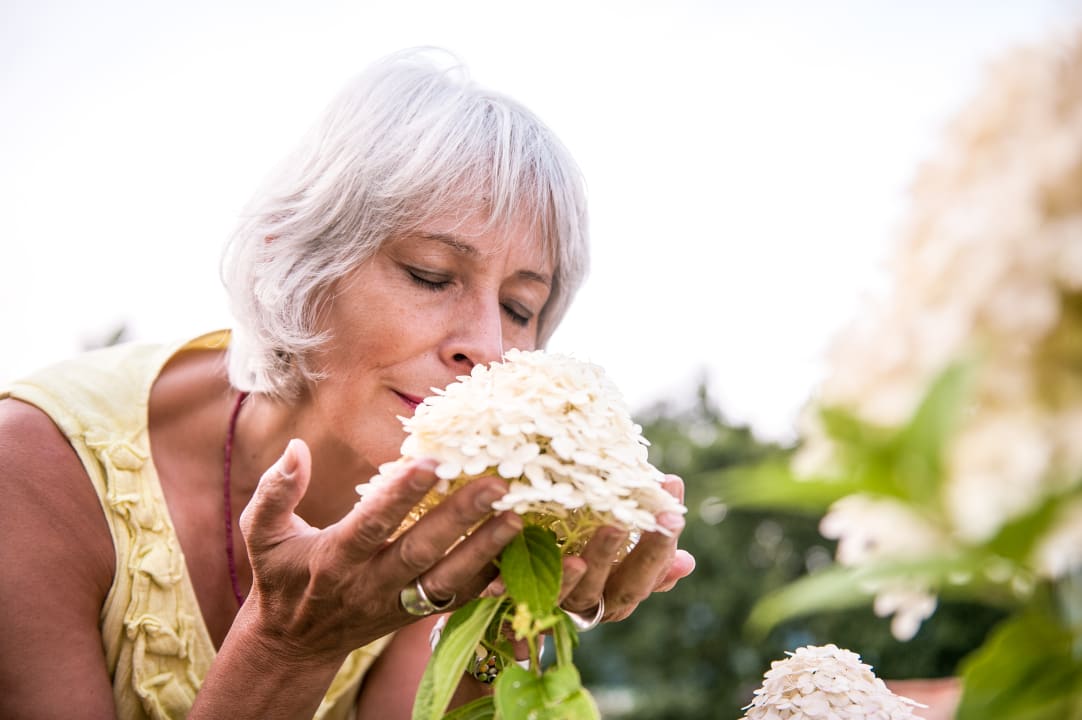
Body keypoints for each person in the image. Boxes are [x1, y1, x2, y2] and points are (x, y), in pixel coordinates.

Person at [0, 49, 695, 719]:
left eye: (519, 308)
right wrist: (289, 648)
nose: (486, 346)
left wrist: (514, 608)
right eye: (429, 274)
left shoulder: (453, 513)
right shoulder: (33, 468)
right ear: (294, 260)